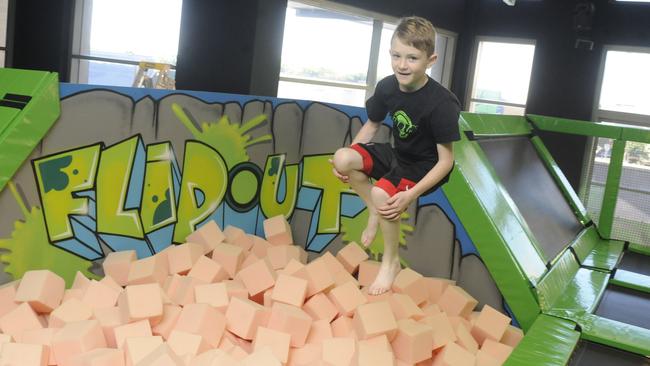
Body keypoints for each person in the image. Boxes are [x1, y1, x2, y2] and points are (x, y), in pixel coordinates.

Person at [330, 16, 461, 295]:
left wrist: (410, 195)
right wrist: (348, 163)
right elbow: (373, 124)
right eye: (396, 56)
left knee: (381, 194)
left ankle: (390, 264)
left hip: (424, 167)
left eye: (412, 58)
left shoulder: (442, 103)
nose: (402, 65)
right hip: (398, 156)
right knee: (343, 158)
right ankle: (374, 212)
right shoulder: (388, 86)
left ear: (431, 59)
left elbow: (446, 161)